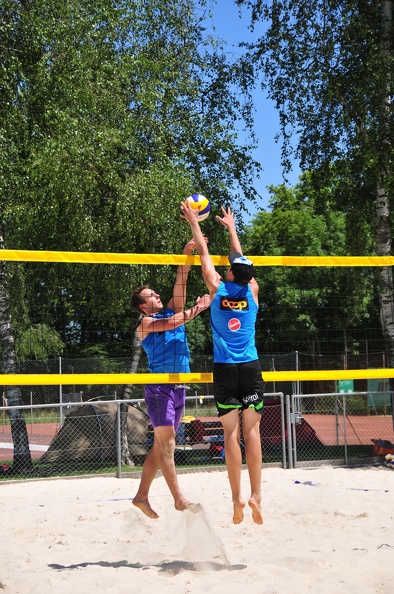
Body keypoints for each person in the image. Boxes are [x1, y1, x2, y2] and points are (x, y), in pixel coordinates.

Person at [181, 202, 264, 525]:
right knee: (252, 432)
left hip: (225, 369)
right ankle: (257, 496)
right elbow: (240, 261)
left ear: (230, 274)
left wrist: (194, 222)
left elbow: (202, 250)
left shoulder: (216, 288)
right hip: (251, 366)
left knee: (231, 436)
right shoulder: (253, 290)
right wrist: (232, 229)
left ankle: (236, 500)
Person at [130, 238, 210, 519]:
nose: (156, 296)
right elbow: (175, 322)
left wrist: (186, 255)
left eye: (154, 293)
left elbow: (180, 284)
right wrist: (199, 308)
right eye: (150, 296)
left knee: (161, 445)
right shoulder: (146, 324)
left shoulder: (170, 310)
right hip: (159, 387)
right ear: (142, 306)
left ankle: (141, 496)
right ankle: (179, 499)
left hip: (179, 386)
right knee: (168, 445)